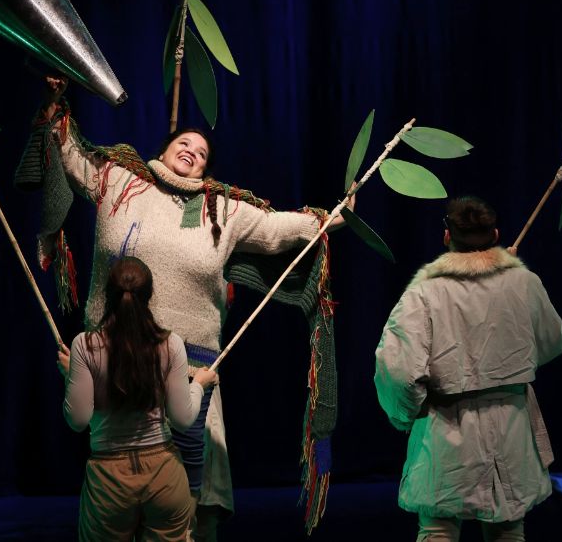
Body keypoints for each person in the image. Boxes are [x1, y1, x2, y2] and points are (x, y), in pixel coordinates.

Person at [42, 76, 352, 539]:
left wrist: (328, 218)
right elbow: (69, 155)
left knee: (198, 508)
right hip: (117, 363)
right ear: (164, 149)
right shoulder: (119, 179)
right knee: (119, 496)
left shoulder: (220, 208)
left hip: (194, 369)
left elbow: (273, 229)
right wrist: (53, 107)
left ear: (205, 169)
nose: (192, 150)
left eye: (202, 151)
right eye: (184, 143)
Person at [374, 197, 562, 542]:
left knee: (438, 529)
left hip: (447, 426)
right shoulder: (524, 284)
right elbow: (553, 341)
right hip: (510, 420)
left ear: (446, 237)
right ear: (495, 233)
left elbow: (398, 370)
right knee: (507, 528)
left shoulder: (425, 293)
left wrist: (404, 414)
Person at [63, 256, 219, 541]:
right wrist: (198, 384)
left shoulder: (83, 346)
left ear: (105, 294)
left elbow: (78, 420)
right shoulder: (170, 344)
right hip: (163, 476)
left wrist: (73, 376)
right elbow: (183, 420)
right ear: (149, 296)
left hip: (109, 482)